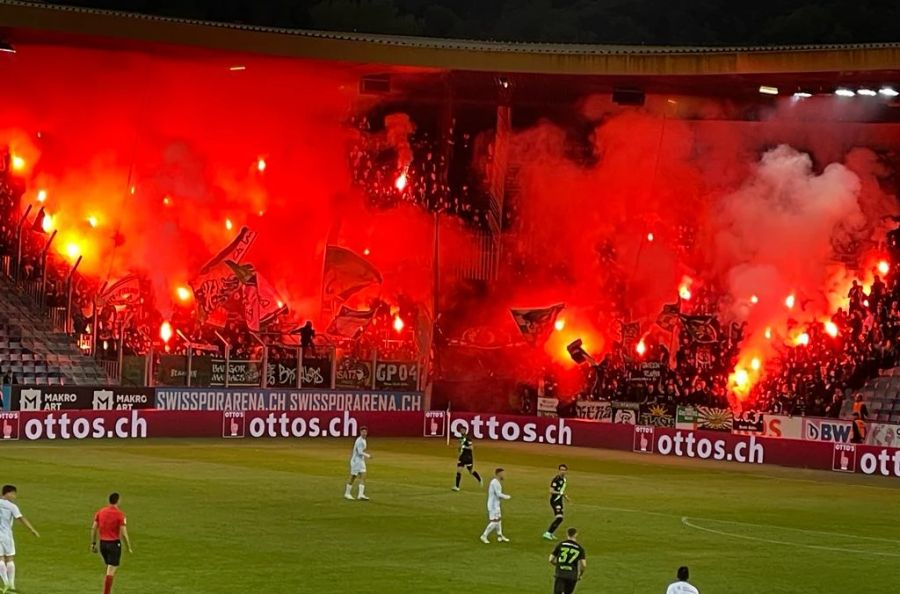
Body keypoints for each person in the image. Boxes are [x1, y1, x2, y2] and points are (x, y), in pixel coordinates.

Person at [0, 485, 39, 594]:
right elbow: (21, 518)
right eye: (13, 494)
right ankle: (11, 585)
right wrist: (32, 529)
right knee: (10, 558)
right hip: (6, 535)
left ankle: (6, 583)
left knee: (0, 559)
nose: (14, 496)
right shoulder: (11, 506)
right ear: (7, 493)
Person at [91, 492, 133, 594]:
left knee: (109, 568)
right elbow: (123, 533)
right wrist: (128, 546)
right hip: (114, 544)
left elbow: (94, 528)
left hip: (103, 544)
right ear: (118, 501)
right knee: (111, 570)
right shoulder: (120, 514)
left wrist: (93, 543)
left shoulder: (100, 512)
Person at [549, 527, 586, 594]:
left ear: (567, 534)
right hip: (572, 575)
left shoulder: (561, 544)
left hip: (560, 574)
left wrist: (558, 564)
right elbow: (583, 565)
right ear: (576, 534)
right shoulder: (580, 548)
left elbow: (551, 559)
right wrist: (580, 575)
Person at [480, 468, 511, 544]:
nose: (504, 475)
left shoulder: (497, 482)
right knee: (494, 522)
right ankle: (484, 536)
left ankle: (500, 535)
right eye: (503, 473)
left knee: (499, 520)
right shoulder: (494, 482)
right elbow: (498, 494)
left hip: (496, 505)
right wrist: (507, 497)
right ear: (498, 474)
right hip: (493, 506)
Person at [452, 426, 482, 491]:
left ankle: (479, 479)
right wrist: (459, 449)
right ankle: (457, 487)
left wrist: (464, 446)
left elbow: (471, 448)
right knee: (458, 471)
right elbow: (460, 448)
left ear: (465, 431)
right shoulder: (461, 439)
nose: (461, 431)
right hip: (462, 457)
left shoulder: (468, 438)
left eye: (463, 430)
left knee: (471, 471)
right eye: (461, 430)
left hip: (468, 457)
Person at [544, 464, 570, 540]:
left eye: (564, 470)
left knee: (560, 519)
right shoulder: (556, 479)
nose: (562, 471)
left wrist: (565, 496)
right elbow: (551, 491)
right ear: (558, 470)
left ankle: (550, 533)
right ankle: (548, 533)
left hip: (559, 500)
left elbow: (561, 490)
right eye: (561, 470)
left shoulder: (564, 479)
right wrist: (560, 494)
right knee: (559, 518)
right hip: (555, 501)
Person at [344, 427, 371, 501]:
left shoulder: (364, 440)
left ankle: (360, 494)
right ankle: (347, 493)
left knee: (363, 476)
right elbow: (359, 452)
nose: (364, 433)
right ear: (360, 432)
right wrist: (367, 455)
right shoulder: (359, 441)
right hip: (356, 461)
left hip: (361, 461)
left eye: (365, 432)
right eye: (363, 432)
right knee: (353, 476)